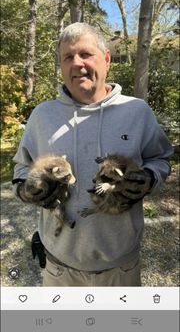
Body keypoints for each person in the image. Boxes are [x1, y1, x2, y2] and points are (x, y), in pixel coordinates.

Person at [13, 22, 173, 287]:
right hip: (58, 269)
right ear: (62, 67)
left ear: (106, 59)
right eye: (68, 57)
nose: (77, 63)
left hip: (121, 267)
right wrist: (26, 189)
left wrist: (147, 179)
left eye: (86, 54)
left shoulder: (137, 111)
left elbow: (161, 158)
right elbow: (21, 168)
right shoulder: (42, 116)